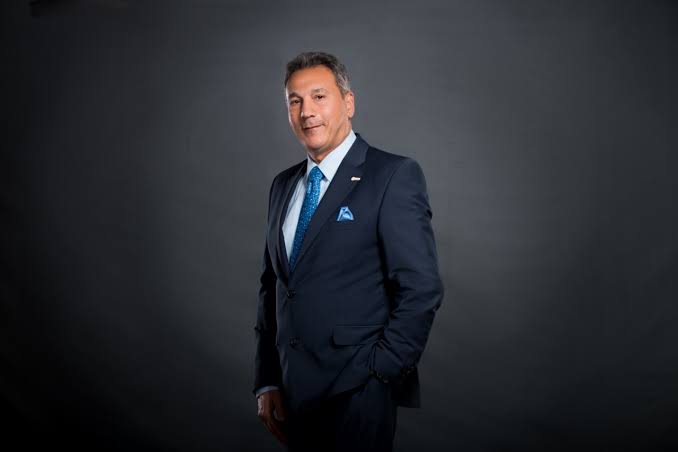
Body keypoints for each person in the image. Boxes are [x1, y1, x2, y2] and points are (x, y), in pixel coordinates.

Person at [253, 51, 444, 452]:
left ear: (348, 102)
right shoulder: (283, 186)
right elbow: (273, 288)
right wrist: (267, 379)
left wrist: (380, 374)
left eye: (319, 97)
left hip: (358, 391)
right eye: (295, 100)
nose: (307, 111)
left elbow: (421, 288)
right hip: (292, 393)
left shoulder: (391, 175)